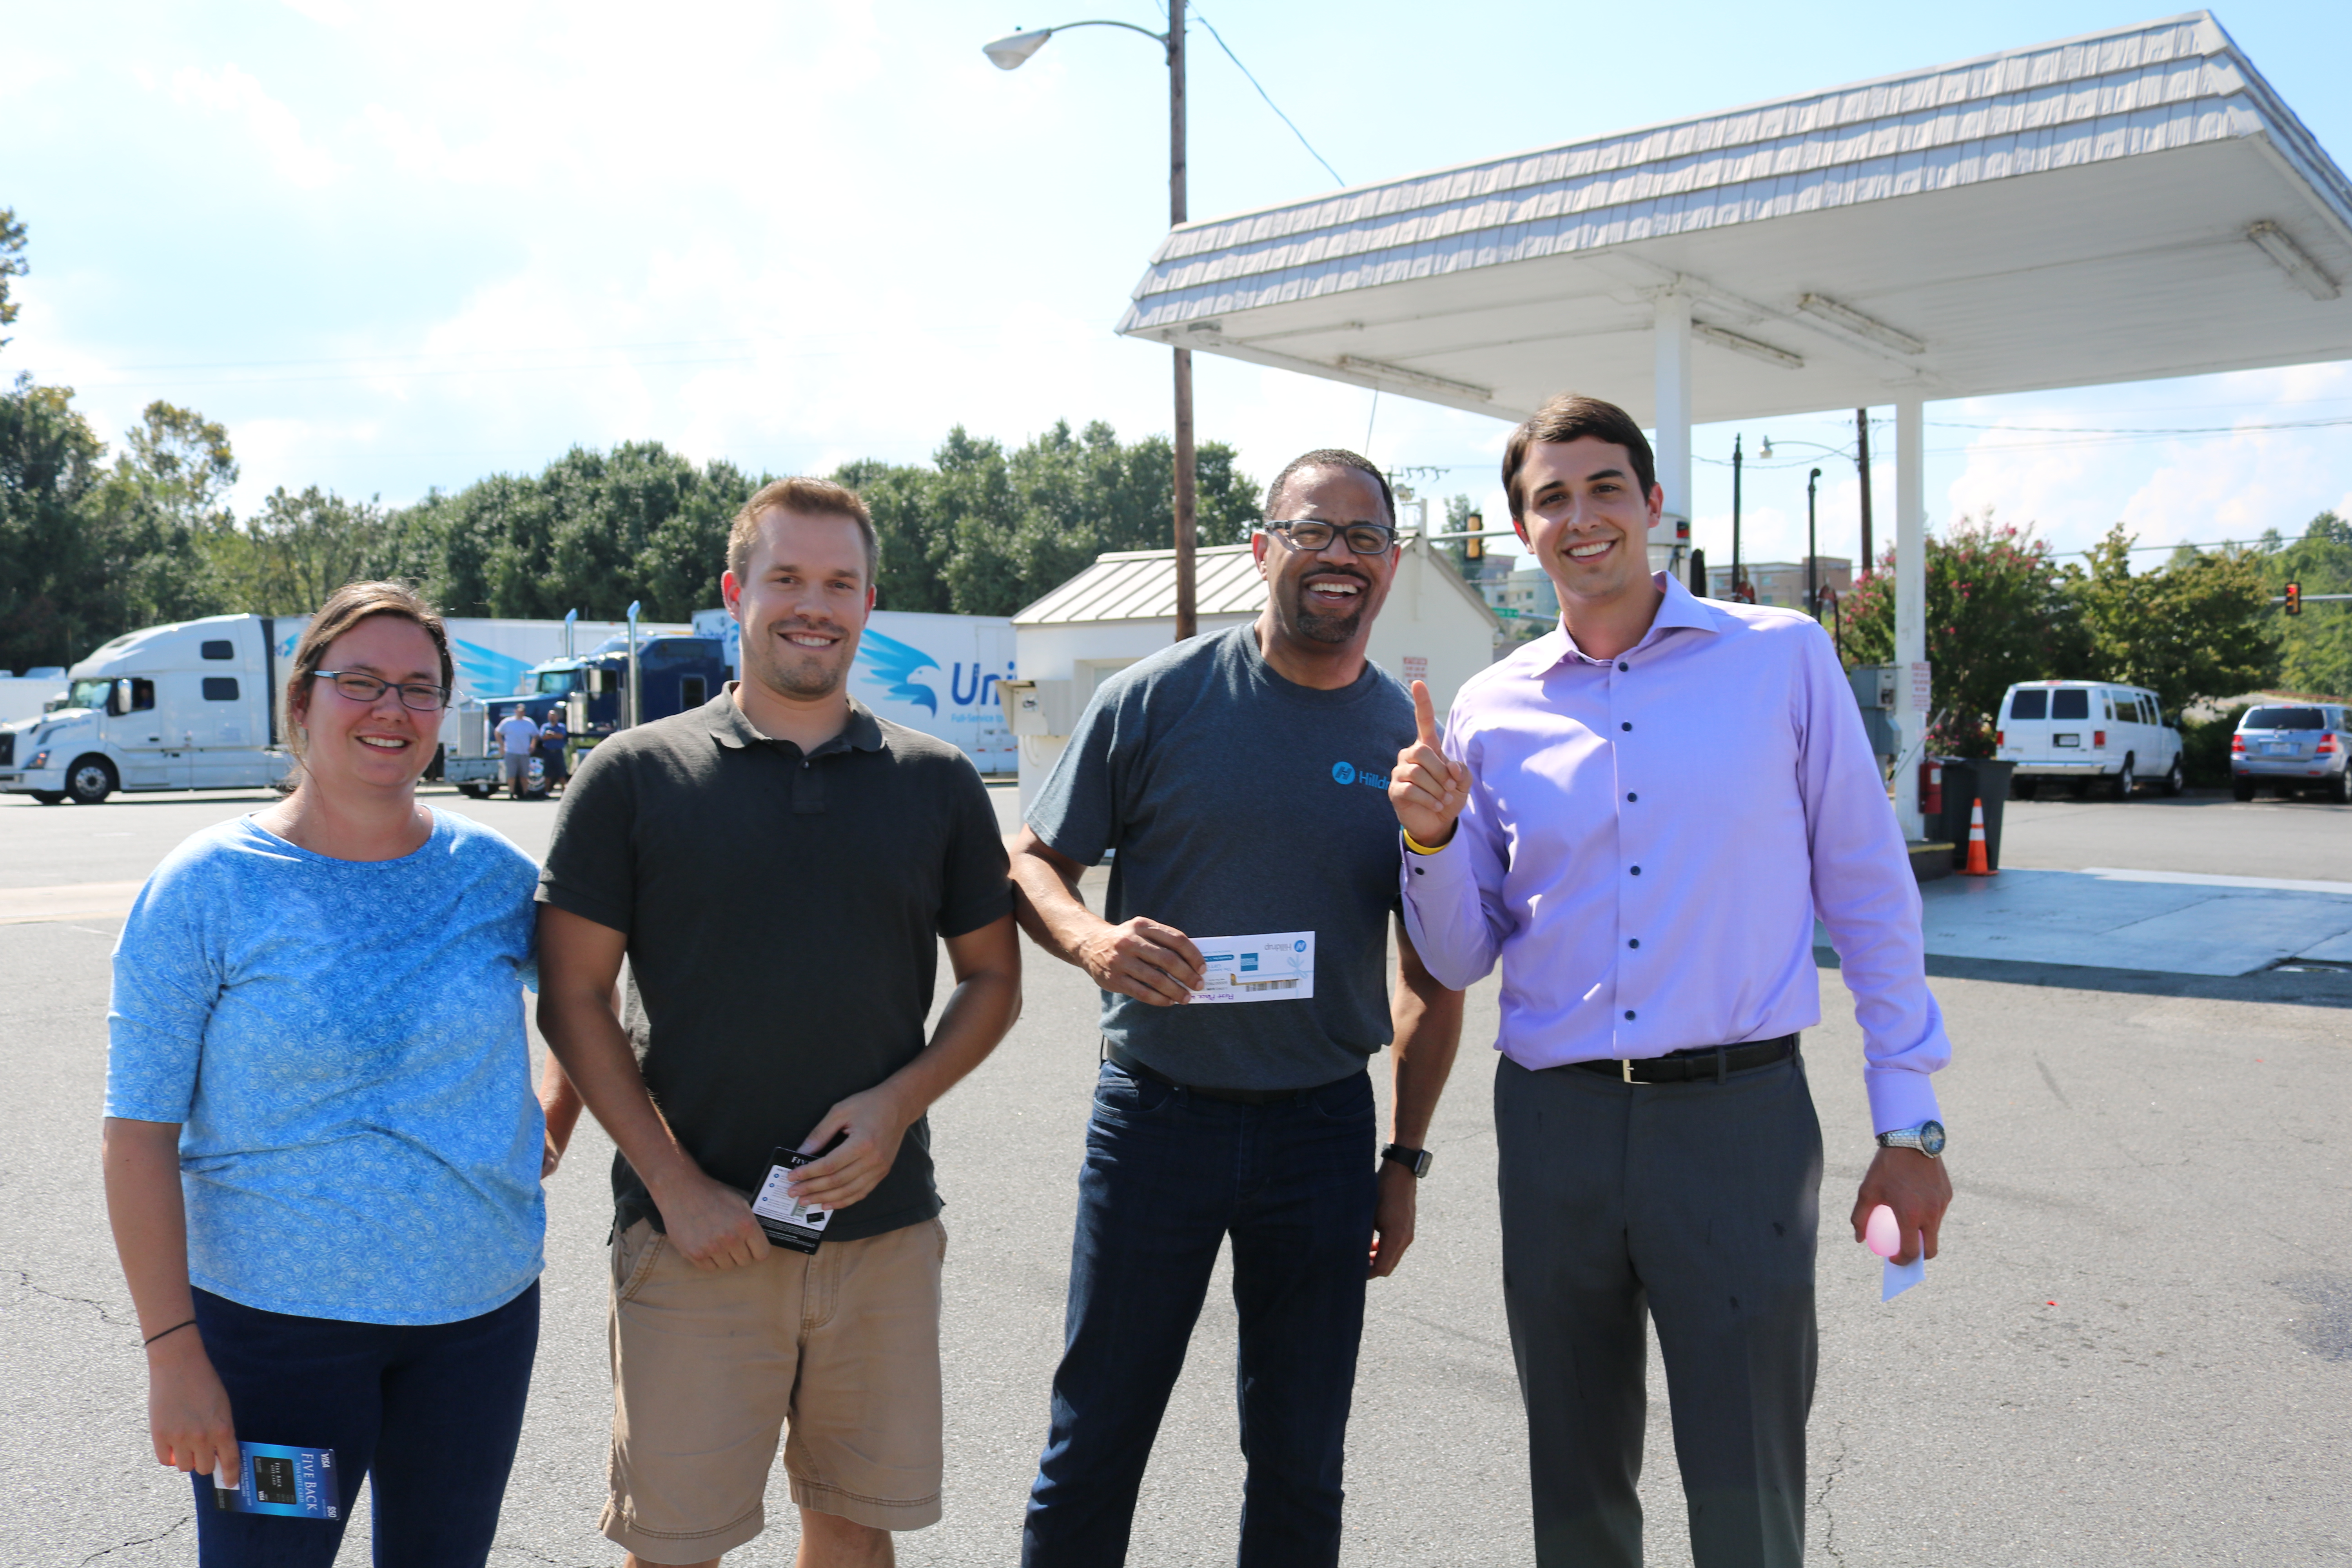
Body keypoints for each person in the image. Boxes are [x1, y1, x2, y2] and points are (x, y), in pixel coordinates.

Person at [1387, 392, 1955, 1568]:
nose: (1580, 516)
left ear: (1654, 504)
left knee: (1747, 1480)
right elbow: (1454, 958)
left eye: (1604, 488)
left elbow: (1869, 898)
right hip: (1554, 1124)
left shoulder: (1780, 660)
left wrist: (1911, 1121)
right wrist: (1430, 842)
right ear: (1518, 531)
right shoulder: (1492, 710)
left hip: (1735, 1120)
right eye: (1550, 498)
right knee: (1575, 1480)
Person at [534, 477, 1022, 1568]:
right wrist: (674, 1187)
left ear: (869, 601)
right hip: (693, 1239)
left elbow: (993, 981)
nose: (815, 604)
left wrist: (900, 1106)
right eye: (788, 578)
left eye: (840, 582)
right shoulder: (633, 777)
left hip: (882, 1234)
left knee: (854, 1529)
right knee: (675, 1544)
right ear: (734, 593)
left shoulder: (936, 782)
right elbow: (572, 998)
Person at [1012, 448, 1465, 1568]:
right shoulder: (1155, 701)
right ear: (1261, 550)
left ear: (1393, 566)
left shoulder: (1407, 752)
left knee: (1302, 1459)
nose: (1339, 556)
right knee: (1096, 1442)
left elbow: (1437, 967)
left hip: (1319, 1131)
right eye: (1314, 531)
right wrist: (1091, 939)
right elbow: (1032, 863)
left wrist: (1403, 1158)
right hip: (1158, 1119)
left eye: (1364, 537)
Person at [102, 580, 548, 1568]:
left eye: (419, 689)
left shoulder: (496, 877)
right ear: (299, 700)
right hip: (277, 1342)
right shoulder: (207, 886)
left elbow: (598, 1005)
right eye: (360, 682)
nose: (392, 710)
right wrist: (172, 1349)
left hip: (474, 1325)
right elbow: (136, 1133)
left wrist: (550, 1115)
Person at [497, 704, 540, 799]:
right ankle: (512, 793)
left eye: (523, 711)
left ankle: (525, 793)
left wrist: (533, 745)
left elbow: (536, 735)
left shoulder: (529, 722)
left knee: (524, 775)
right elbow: (498, 732)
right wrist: (501, 745)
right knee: (511, 774)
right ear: (515, 711)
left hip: (524, 752)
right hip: (511, 752)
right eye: (519, 711)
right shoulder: (508, 722)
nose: (521, 713)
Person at [537, 706, 571, 793]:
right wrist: (553, 736)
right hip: (548, 753)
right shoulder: (545, 726)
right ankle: (547, 792)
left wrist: (551, 735)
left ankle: (564, 792)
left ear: (557, 717)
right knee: (547, 774)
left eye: (554, 716)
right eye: (550, 716)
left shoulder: (561, 726)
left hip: (558, 753)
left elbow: (561, 736)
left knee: (561, 774)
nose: (552, 718)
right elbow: (543, 737)